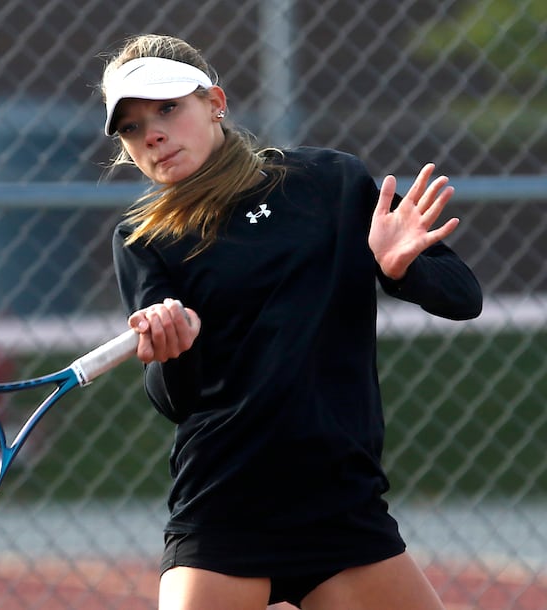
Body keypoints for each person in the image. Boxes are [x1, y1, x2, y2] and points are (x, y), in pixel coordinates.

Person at [99, 33, 482, 610]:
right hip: (226, 507)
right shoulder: (143, 239)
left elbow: (463, 298)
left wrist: (400, 270)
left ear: (215, 102)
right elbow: (177, 400)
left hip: (342, 506)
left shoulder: (330, 183)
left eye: (168, 108)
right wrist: (172, 345)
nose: (151, 134)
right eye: (131, 127)